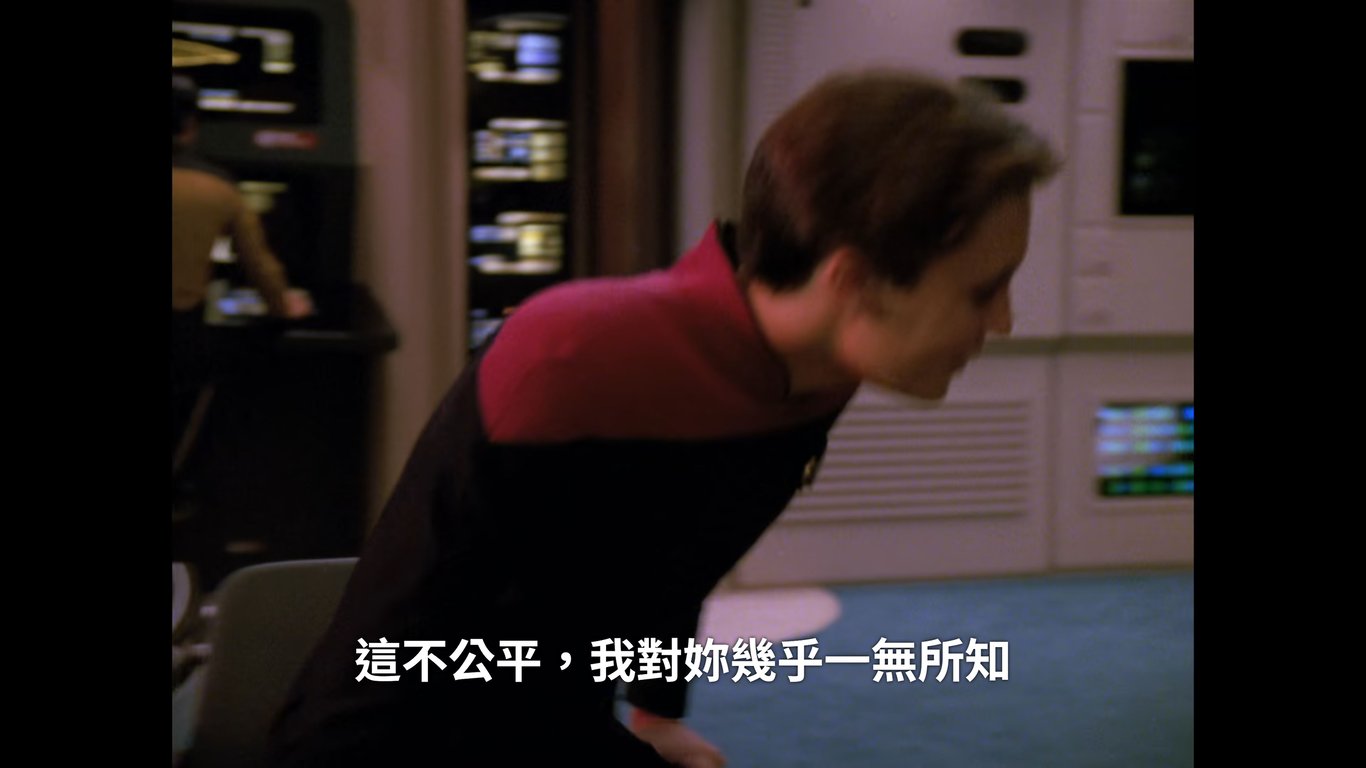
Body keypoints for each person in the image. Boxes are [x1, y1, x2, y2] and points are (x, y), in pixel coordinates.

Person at [268, 69, 1059, 767]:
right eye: (982, 290)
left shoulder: (814, 373)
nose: (1004, 321)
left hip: (545, 720)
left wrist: (654, 716)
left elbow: (670, 556)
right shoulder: (572, 355)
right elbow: (401, 651)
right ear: (851, 283)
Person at [171, 73, 312, 466]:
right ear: (191, 125)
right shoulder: (219, 189)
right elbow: (259, 264)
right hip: (181, 335)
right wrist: (284, 305)